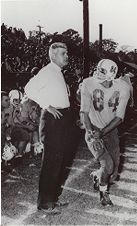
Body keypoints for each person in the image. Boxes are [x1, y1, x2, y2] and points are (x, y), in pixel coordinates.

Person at [24, 42, 71, 213]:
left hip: (61, 118)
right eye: (63, 53)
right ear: (53, 55)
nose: (67, 56)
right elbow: (28, 88)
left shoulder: (57, 72)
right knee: (51, 161)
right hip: (52, 118)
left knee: (58, 161)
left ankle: (52, 199)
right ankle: (44, 203)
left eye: (67, 53)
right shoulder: (48, 71)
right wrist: (47, 106)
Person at [80, 59, 130, 206]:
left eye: (102, 71)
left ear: (111, 74)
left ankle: (97, 175)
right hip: (93, 128)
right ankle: (103, 194)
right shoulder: (88, 83)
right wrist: (91, 133)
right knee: (107, 165)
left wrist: (103, 132)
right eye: (98, 69)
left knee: (113, 174)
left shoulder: (123, 87)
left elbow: (119, 117)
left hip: (110, 130)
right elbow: (84, 112)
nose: (98, 73)